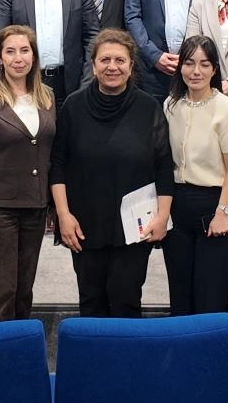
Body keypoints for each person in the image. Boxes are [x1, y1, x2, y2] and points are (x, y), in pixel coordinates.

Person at [51, 28, 174, 317]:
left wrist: (162, 217)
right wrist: (63, 216)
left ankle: (126, 350)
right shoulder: (73, 106)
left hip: (134, 227)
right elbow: (58, 165)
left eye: (120, 60)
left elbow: (163, 166)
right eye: (105, 59)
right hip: (84, 224)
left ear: (131, 65)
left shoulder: (148, 107)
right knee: (91, 301)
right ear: (93, 65)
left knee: (127, 300)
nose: (112, 66)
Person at [0, 24, 57, 321]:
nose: (19, 58)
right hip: (0, 211)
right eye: (11, 51)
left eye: (25, 50)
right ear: (0, 58)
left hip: (35, 208)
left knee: (24, 288)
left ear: (34, 56)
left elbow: (50, 154)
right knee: (2, 290)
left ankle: (21, 345)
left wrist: (53, 207)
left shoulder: (47, 97)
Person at [163, 34, 228, 316]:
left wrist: (223, 212)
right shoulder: (171, 105)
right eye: (189, 63)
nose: (195, 71)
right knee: (180, 294)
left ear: (214, 69)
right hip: (177, 204)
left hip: (214, 204)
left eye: (204, 64)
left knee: (210, 296)